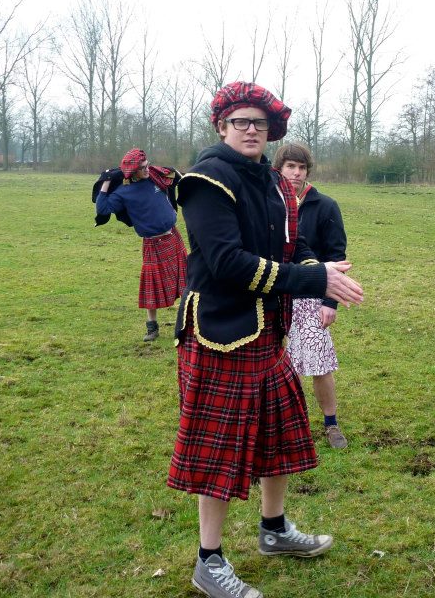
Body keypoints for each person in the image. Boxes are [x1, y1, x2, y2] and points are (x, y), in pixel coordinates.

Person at [166, 81, 363, 598]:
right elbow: (229, 263)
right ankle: (209, 561)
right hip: (219, 333)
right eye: (240, 122)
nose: (251, 130)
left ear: (271, 130)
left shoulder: (273, 183)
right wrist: (310, 280)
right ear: (221, 126)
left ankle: (273, 531)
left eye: (259, 123)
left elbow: (286, 249)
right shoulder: (207, 179)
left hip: (266, 334)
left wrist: (319, 271)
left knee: (278, 434)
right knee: (221, 453)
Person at [273, 143, 349, 449]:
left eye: (301, 167)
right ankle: (283, 423)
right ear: (279, 169)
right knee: (275, 364)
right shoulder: (268, 203)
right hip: (273, 291)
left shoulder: (325, 205)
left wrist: (330, 302)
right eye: (290, 166)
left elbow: (336, 255)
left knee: (319, 363)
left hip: (310, 296)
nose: (296, 173)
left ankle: (330, 423)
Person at [96, 149, 187, 341]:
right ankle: (152, 328)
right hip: (153, 244)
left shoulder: (155, 177)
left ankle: (187, 322)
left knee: (187, 281)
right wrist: (106, 180)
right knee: (151, 288)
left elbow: (175, 175)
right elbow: (102, 208)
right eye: (143, 167)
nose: (147, 169)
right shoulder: (123, 193)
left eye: (147, 164)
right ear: (133, 171)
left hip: (173, 237)